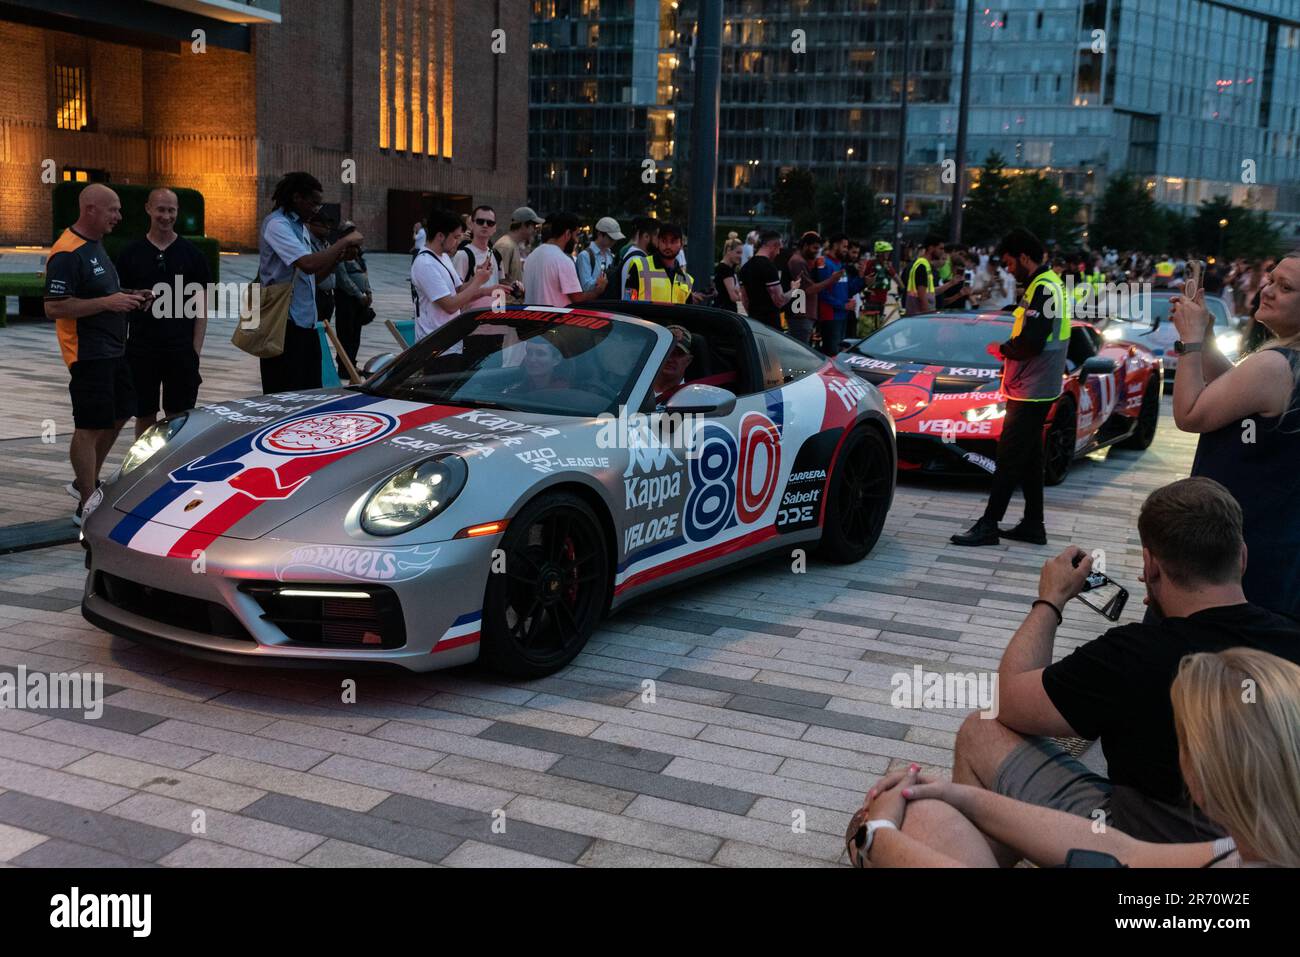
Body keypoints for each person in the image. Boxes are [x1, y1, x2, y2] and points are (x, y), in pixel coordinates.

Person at [948, 478, 1300, 854]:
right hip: (1272, 842)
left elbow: (1010, 701)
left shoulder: (1130, 655)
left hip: (1142, 844)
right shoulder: (1290, 638)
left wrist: (1051, 600)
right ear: (1242, 557)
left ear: (1150, 566)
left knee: (980, 730)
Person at [847, 647, 1300, 868]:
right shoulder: (1255, 851)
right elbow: (1125, 852)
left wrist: (876, 837)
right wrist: (962, 796)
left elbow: (1010, 700)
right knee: (928, 807)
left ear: (1201, 773)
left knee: (912, 822)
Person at [1170, 255, 1300, 619]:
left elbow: (1189, 414)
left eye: (1285, 288)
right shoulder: (1286, 363)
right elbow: (1237, 389)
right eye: (1271, 279)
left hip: (1232, 548)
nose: (1268, 291)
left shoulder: (1274, 365)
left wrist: (1190, 342)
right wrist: (1208, 340)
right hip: (1275, 541)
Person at [953, 228, 1067, 548]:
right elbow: (1034, 327)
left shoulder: (1043, 288)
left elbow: (1032, 341)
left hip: (1033, 386)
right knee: (1029, 456)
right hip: (1037, 383)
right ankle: (1033, 524)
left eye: (1009, 262)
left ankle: (989, 524)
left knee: (1009, 455)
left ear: (1024, 257)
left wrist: (1004, 350)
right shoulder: (1047, 284)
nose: (1008, 269)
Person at [44, 184, 148, 525]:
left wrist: (128, 295)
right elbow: (54, 307)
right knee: (88, 425)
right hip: (88, 354)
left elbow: (102, 291)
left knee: (122, 411)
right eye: (112, 210)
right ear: (90, 209)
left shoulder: (94, 246)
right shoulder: (67, 253)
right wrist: (109, 302)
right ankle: (86, 503)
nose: (118, 216)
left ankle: (84, 483)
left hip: (113, 350)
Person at [113, 187, 210, 440]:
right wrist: (122, 347)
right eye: (161, 209)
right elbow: (119, 303)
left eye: (171, 210)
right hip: (141, 349)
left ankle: (173, 465)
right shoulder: (130, 254)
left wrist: (195, 350)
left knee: (179, 414)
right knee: (144, 412)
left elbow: (201, 307)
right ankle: (144, 466)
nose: (166, 216)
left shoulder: (193, 256)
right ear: (148, 209)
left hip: (180, 349)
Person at [257, 172, 363, 394]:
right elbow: (307, 263)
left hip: (305, 323)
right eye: (314, 203)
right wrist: (342, 241)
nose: (317, 209)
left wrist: (338, 257)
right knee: (283, 396)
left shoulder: (300, 227)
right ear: (297, 197)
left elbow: (313, 278)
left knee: (309, 394)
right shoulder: (277, 225)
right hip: (282, 325)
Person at [411, 208, 506, 339]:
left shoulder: (443, 256)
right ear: (440, 236)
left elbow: (459, 289)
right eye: (455, 237)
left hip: (450, 339)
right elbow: (450, 305)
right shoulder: (426, 264)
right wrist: (478, 281)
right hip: (434, 343)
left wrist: (478, 279)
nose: (458, 242)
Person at [522, 211, 607, 306]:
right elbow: (578, 299)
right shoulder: (562, 260)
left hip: (531, 318)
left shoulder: (531, 256)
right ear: (567, 234)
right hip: (554, 319)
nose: (576, 240)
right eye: (576, 235)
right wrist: (598, 290)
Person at [785, 232, 842, 345]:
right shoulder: (798, 261)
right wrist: (832, 279)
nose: (817, 251)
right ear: (805, 245)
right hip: (800, 316)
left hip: (803, 316)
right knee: (800, 352)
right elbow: (809, 289)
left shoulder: (802, 261)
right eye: (814, 248)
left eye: (818, 248)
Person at [332, 221, 372, 380]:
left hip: (360, 299)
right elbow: (343, 278)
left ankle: (352, 364)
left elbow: (363, 273)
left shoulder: (358, 252)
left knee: (356, 334)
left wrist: (368, 292)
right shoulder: (340, 250)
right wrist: (358, 294)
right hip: (346, 299)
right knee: (346, 334)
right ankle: (344, 367)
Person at [738, 230, 801, 330]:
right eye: (779, 248)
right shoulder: (768, 267)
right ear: (774, 245)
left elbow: (745, 300)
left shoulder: (745, 267)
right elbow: (779, 300)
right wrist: (794, 289)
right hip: (770, 325)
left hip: (754, 323)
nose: (778, 252)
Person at [452, 205, 510, 311]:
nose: (485, 225)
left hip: (494, 318)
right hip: (471, 321)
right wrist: (484, 290)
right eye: (480, 221)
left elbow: (499, 289)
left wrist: (514, 288)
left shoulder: (496, 255)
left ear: (494, 228)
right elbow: (455, 295)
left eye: (490, 223)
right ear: (471, 224)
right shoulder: (463, 255)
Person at [813, 234, 860, 354]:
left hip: (842, 315)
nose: (846, 250)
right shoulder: (824, 263)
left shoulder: (839, 265)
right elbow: (821, 292)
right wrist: (843, 305)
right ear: (835, 245)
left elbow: (848, 289)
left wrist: (864, 281)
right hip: (830, 316)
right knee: (832, 353)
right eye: (844, 246)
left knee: (839, 353)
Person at [492, 206, 544, 299]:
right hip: (507, 307)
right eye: (534, 226)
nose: (535, 231)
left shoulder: (511, 244)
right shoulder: (505, 246)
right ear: (524, 225)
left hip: (511, 306)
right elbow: (499, 279)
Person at [618, 217, 660, 301]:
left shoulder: (634, 256)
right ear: (646, 236)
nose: (660, 242)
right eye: (658, 237)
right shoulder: (638, 261)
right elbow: (629, 299)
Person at [577, 216, 623, 292]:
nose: (614, 241)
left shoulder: (610, 255)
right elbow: (585, 286)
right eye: (611, 238)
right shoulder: (585, 256)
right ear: (600, 234)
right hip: (591, 303)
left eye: (615, 238)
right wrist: (603, 281)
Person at [651, 325, 694, 402]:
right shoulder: (634, 389)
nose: (669, 359)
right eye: (666, 351)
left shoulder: (691, 399)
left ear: (688, 361)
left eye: (677, 353)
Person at [904, 235, 944, 314]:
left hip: (917, 315)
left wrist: (951, 283)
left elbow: (929, 291)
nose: (943, 252)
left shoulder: (924, 264)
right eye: (940, 248)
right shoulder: (922, 266)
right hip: (920, 316)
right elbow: (922, 296)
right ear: (931, 248)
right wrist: (927, 316)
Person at [713, 239, 744, 313]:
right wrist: (745, 296)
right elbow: (733, 296)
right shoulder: (725, 269)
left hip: (723, 310)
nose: (740, 256)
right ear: (729, 250)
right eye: (738, 252)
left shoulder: (726, 268)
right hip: (726, 312)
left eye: (741, 253)